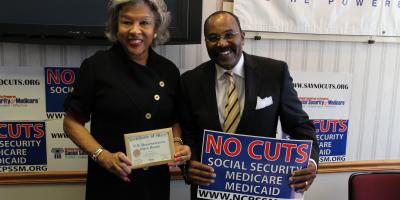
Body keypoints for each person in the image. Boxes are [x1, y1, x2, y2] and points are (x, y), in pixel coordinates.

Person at [179, 11, 319, 200]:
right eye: (213, 38)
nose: (221, 43)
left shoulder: (275, 73)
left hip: (260, 190)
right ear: (206, 42)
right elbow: (188, 133)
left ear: (242, 37)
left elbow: (300, 126)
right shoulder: (190, 81)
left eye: (229, 35)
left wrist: (309, 162)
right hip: (209, 190)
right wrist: (189, 165)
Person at [63, 0, 190, 200]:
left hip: (154, 184)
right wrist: (103, 156)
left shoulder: (168, 70)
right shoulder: (97, 66)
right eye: (127, 22)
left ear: (156, 27)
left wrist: (176, 143)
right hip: (110, 183)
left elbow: (174, 120)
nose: (135, 30)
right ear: (116, 26)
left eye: (144, 23)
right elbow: (71, 123)